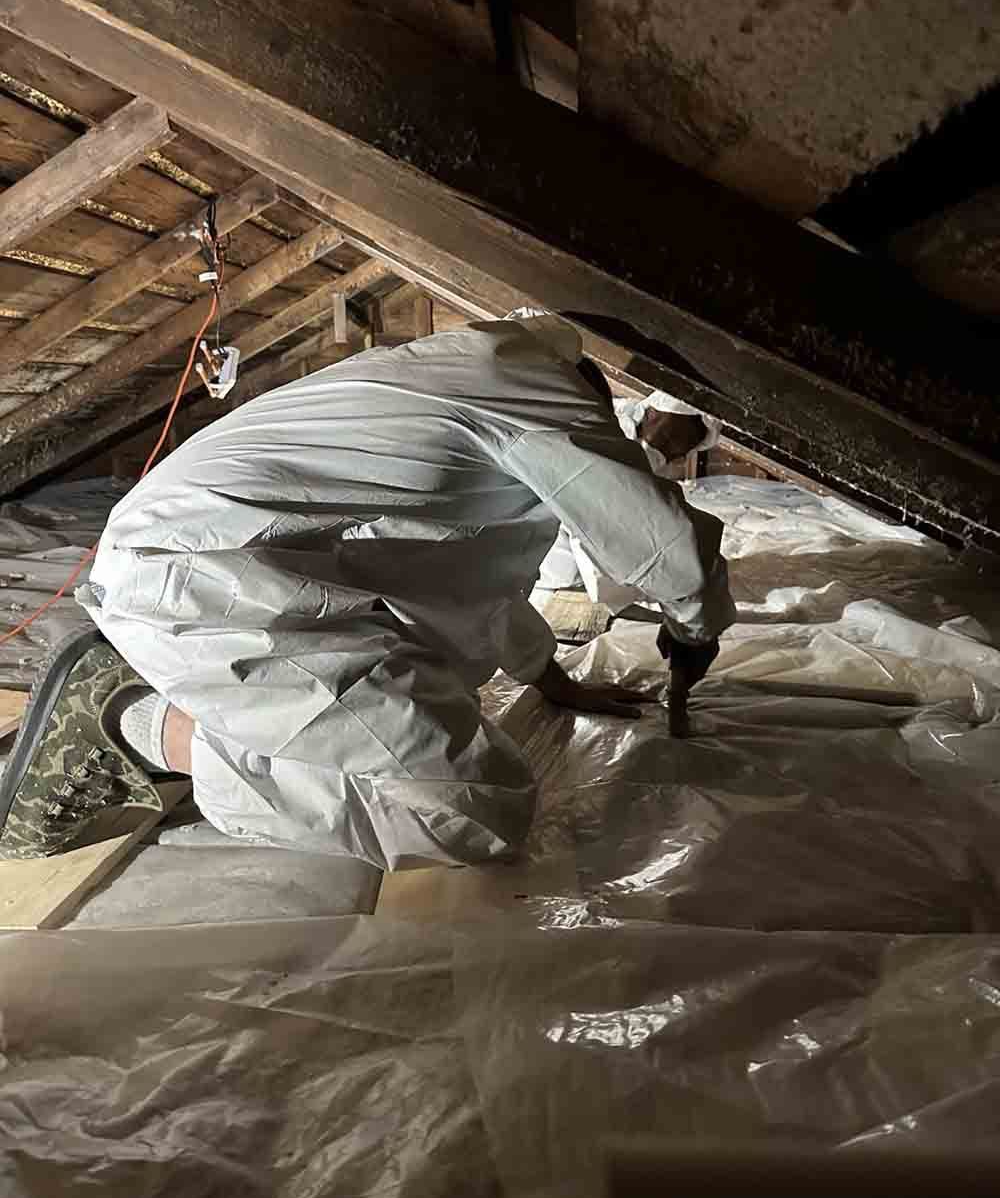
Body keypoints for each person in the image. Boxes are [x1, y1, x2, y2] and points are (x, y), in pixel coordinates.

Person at [0, 313, 734, 869]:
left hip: (200, 561)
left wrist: (554, 679)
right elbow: (672, 550)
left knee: (436, 692)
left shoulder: (473, 371)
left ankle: (183, 694)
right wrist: (695, 636)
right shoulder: (543, 400)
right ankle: (131, 717)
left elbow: (472, 586)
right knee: (476, 807)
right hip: (199, 580)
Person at [537, 389, 722, 612]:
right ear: (651, 414)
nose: (673, 451)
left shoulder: (650, 460)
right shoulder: (607, 436)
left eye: (681, 449)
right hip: (560, 579)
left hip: (573, 577)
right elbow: (599, 520)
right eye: (670, 438)